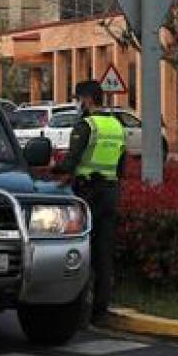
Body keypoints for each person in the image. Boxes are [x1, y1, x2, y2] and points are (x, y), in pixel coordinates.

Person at [57, 80, 125, 324]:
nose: (78, 104)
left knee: (81, 249)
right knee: (104, 253)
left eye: (78, 99)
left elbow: (70, 161)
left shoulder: (86, 126)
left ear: (86, 99)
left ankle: (80, 309)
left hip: (88, 194)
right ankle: (100, 311)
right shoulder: (116, 126)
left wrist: (55, 172)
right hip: (110, 192)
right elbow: (121, 165)